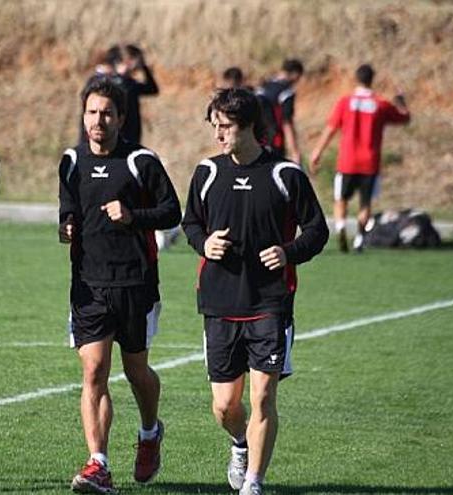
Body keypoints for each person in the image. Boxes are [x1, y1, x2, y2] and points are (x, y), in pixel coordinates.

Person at [182, 88, 328, 495]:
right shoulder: (206, 173)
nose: (218, 135)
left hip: (269, 303)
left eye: (225, 127)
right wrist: (203, 243)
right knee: (225, 406)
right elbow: (190, 222)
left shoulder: (286, 175)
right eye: (214, 126)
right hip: (219, 301)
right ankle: (239, 443)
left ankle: (253, 484)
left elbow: (317, 231)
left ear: (248, 127)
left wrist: (288, 252)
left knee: (263, 397)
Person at [59, 77, 181, 494]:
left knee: (135, 370)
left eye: (107, 113)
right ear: (84, 115)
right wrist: (67, 224)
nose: (98, 120)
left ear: (121, 118)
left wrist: (132, 216)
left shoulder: (141, 161)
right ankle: (99, 464)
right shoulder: (71, 161)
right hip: (89, 285)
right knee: (94, 370)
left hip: (136, 283)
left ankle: (150, 432)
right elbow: (68, 208)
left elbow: (171, 211)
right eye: (92, 112)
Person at [309, 63, 411, 252]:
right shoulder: (380, 104)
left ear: (356, 79)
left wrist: (317, 151)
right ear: (372, 80)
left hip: (347, 161)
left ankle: (340, 228)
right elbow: (404, 118)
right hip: (370, 163)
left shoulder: (345, 102)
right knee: (365, 204)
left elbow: (331, 128)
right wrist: (401, 101)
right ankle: (359, 240)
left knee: (341, 199)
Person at [256, 58, 305, 163]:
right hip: (274, 141)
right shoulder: (286, 92)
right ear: (295, 74)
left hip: (255, 140)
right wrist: (295, 152)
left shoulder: (262, 86)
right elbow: (287, 123)